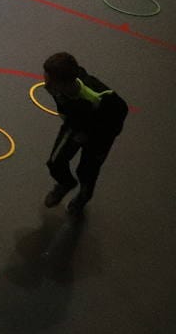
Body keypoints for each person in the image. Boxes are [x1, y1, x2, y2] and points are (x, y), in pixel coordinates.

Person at [41, 51, 128, 218]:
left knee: (87, 171)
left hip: (99, 136)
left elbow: (119, 116)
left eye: (49, 81)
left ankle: (84, 196)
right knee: (55, 162)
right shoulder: (57, 89)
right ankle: (66, 183)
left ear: (64, 84)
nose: (45, 84)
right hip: (74, 126)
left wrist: (91, 134)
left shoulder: (99, 97)